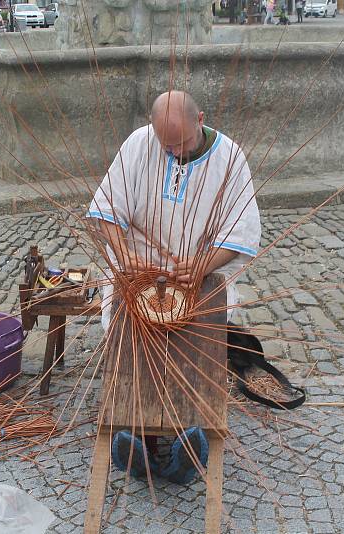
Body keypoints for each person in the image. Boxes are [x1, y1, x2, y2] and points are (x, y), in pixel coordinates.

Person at [86, 91, 261, 483]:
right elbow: (107, 210)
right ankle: (138, 434)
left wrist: (202, 266)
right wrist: (124, 255)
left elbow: (241, 232)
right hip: (139, 272)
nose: (173, 152)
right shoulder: (139, 143)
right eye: (166, 144)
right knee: (133, 333)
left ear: (200, 118)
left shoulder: (230, 159)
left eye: (180, 143)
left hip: (198, 272)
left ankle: (189, 431)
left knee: (196, 338)